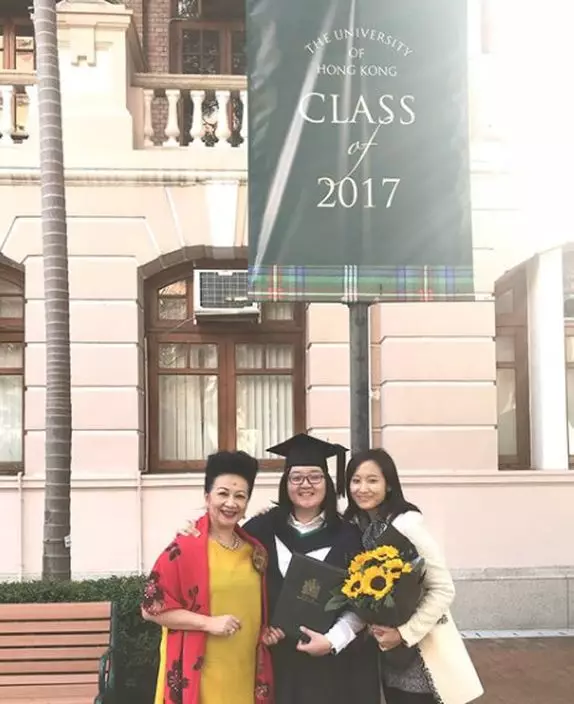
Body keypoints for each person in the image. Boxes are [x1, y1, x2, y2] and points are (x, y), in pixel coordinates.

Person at [180, 434, 380, 704]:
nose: (306, 485)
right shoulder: (259, 530)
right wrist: (195, 531)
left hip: (332, 668)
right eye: (296, 478)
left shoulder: (349, 536)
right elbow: (225, 556)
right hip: (274, 663)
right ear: (285, 483)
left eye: (315, 477)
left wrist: (333, 640)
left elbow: (363, 603)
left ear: (328, 483)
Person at [344, 448, 484, 704]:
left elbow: (443, 588)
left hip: (421, 654)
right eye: (356, 480)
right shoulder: (359, 526)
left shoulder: (406, 524)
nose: (362, 488)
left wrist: (404, 633)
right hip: (386, 656)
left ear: (388, 485)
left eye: (372, 480)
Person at [141, 450, 273, 704]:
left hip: (244, 672)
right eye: (223, 493)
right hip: (202, 673)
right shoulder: (184, 548)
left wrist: (266, 632)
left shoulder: (255, 551)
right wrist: (207, 623)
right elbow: (150, 609)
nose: (231, 503)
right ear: (207, 496)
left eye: (240, 496)